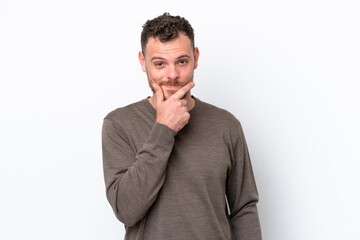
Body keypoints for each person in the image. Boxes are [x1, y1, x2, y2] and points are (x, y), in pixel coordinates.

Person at [102, 12, 262, 240]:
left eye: (182, 61)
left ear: (195, 58)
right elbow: (126, 210)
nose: (172, 75)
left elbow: (244, 209)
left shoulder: (227, 125)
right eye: (159, 64)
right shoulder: (118, 124)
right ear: (142, 62)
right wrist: (164, 129)